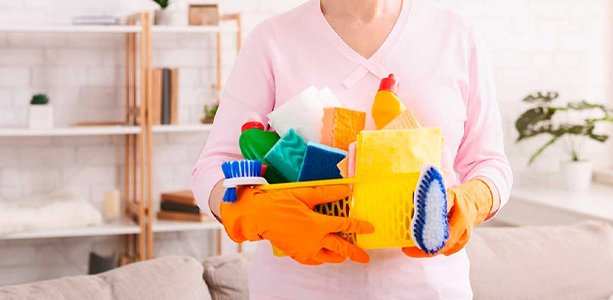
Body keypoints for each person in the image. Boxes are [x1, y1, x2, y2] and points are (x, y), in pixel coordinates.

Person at [191, 0, 513, 298]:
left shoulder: (456, 34)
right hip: (297, 288)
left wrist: (473, 199)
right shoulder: (273, 39)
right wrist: (251, 210)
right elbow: (213, 165)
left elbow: (489, 163)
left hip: (428, 288)